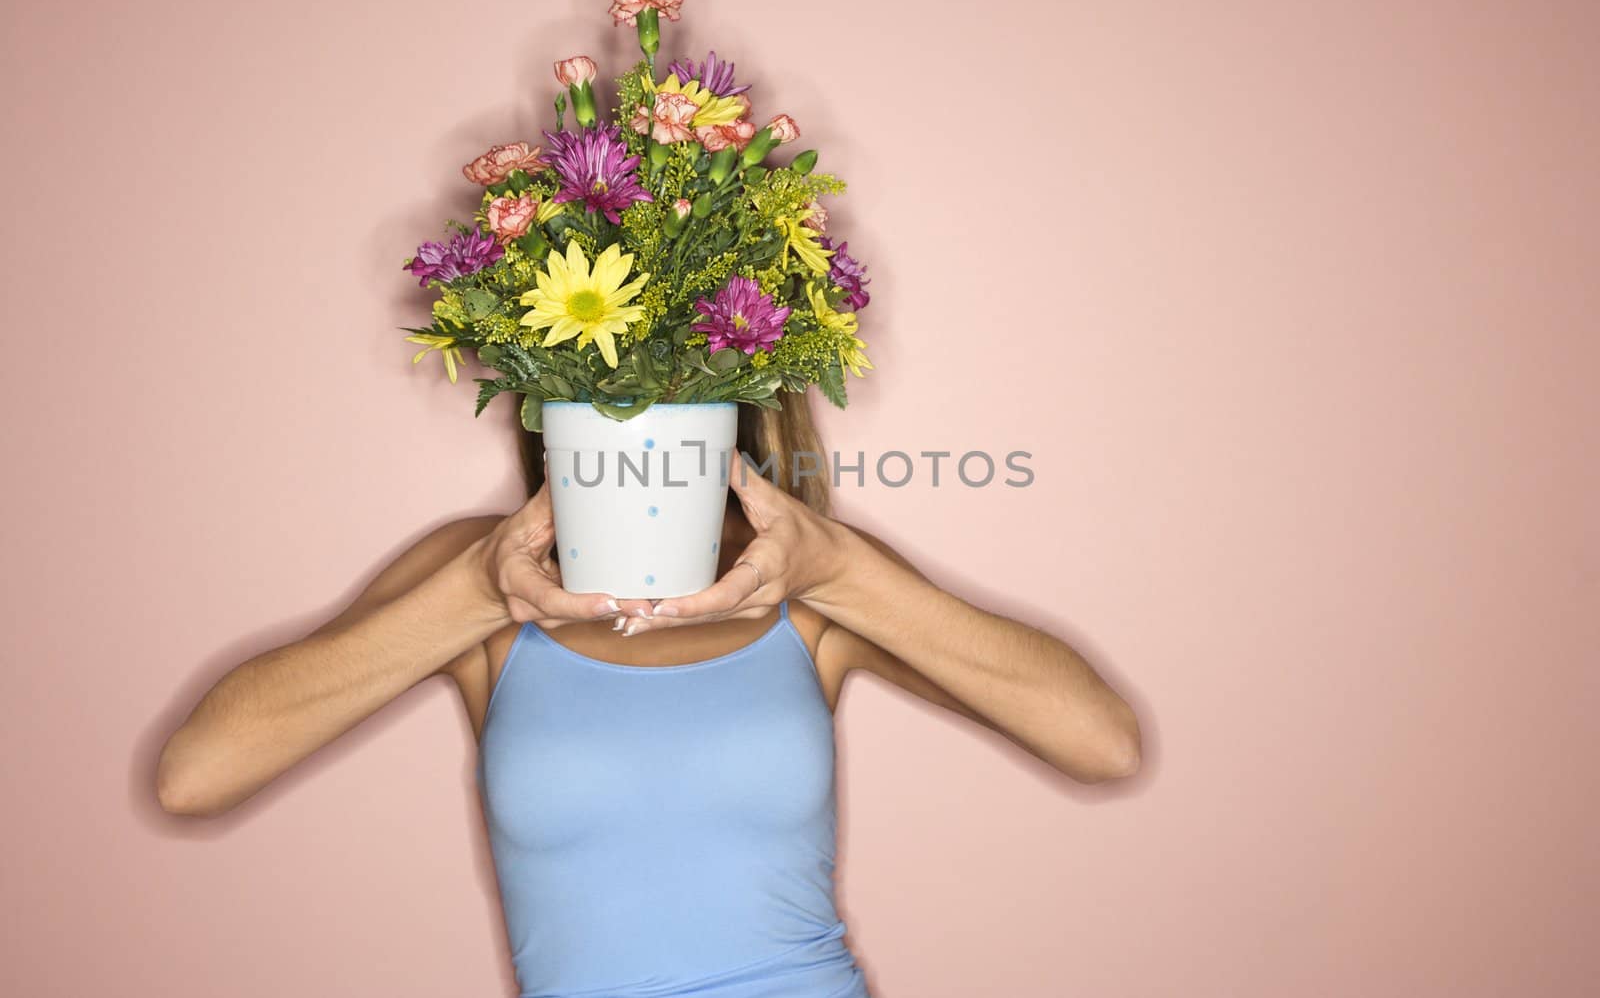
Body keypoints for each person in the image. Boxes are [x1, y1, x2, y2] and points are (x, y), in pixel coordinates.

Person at [156, 390, 1143, 998]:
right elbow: (196, 774)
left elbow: (1101, 741)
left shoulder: (805, 581)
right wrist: (470, 593)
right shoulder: (478, 579)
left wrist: (838, 567)